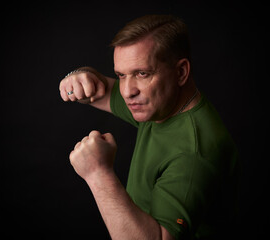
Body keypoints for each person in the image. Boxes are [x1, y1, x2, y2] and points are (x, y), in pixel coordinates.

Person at [59, 15, 239, 240]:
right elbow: (94, 89)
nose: (127, 91)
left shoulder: (194, 154)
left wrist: (97, 174)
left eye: (142, 74)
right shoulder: (160, 105)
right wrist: (76, 78)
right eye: (121, 75)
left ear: (181, 72)